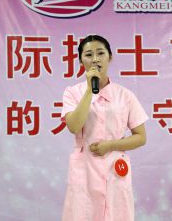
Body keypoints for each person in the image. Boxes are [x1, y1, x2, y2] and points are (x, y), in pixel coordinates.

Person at [61, 35, 148, 221]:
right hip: (84, 167)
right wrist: (88, 90)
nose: (95, 59)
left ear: (110, 57)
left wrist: (110, 145)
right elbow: (73, 126)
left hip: (114, 167)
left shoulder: (125, 95)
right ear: (80, 61)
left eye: (100, 53)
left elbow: (141, 137)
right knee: (82, 214)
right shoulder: (72, 93)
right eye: (88, 55)